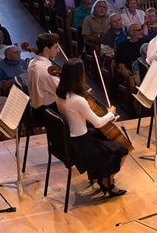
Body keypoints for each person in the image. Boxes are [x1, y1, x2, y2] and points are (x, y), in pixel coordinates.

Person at [54, 58, 127, 196]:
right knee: (122, 149)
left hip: (70, 139)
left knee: (103, 137)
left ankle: (101, 174)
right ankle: (107, 182)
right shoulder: (78, 100)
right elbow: (98, 123)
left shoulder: (59, 93)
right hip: (82, 144)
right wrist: (111, 114)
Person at [27, 32, 62, 114]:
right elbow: (61, 92)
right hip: (48, 110)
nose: (58, 50)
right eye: (56, 47)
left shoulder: (32, 62)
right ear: (46, 49)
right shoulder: (47, 70)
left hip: (36, 107)